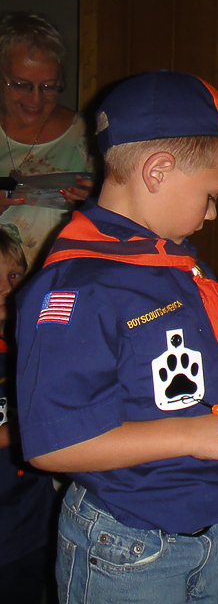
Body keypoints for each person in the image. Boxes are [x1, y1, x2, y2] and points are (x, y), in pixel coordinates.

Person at [15, 70, 218, 603]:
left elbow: (167, 367)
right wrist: (197, 435)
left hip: (202, 531)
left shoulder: (166, 261)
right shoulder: (78, 286)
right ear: (158, 171)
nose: (212, 211)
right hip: (127, 544)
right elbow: (54, 441)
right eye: (210, 194)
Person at [0, 11, 93, 269]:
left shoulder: (87, 137)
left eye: (49, 86)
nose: (36, 99)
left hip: (62, 293)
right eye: (21, 84)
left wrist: (95, 209)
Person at [0, 225, 57, 604]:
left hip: (33, 510)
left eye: (14, 275)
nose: (7, 288)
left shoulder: (27, 339)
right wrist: (31, 430)